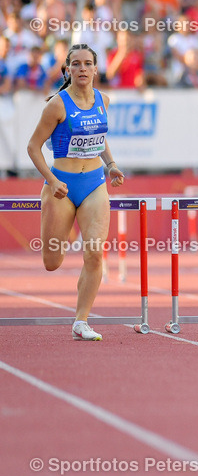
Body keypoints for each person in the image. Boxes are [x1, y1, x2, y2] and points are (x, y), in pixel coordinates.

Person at [25, 43, 126, 341]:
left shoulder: (103, 100)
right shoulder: (57, 105)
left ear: (96, 69)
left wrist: (111, 165)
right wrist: (51, 180)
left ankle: (81, 321)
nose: (82, 68)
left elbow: (99, 137)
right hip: (61, 186)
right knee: (52, 262)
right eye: (77, 64)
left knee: (94, 254)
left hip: (94, 183)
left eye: (88, 64)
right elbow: (33, 147)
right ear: (68, 70)